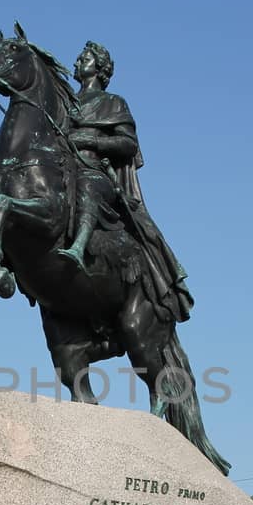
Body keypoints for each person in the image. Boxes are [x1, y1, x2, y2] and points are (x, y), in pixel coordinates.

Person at [52, 41, 193, 324]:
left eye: (85, 58)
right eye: (79, 57)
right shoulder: (65, 102)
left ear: (100, 68)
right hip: (63, 171)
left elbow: (128, 144)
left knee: (88, 185)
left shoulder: (113, 102)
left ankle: (78, 247)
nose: (78, 61)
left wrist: (90, 139)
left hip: (96, 173)